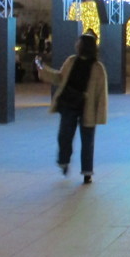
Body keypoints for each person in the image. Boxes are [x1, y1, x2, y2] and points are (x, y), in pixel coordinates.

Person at [35, 30, 108, 184]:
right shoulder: (71, 61)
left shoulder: (97, 68)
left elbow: (101, 94)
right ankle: (64, 161)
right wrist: (43, 70)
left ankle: (87, 172)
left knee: (87, 141)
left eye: (79, 42)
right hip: (69, 104)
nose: (76, 44)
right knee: (64, 135)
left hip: (87, 107)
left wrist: (100, 115)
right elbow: (60, 78)